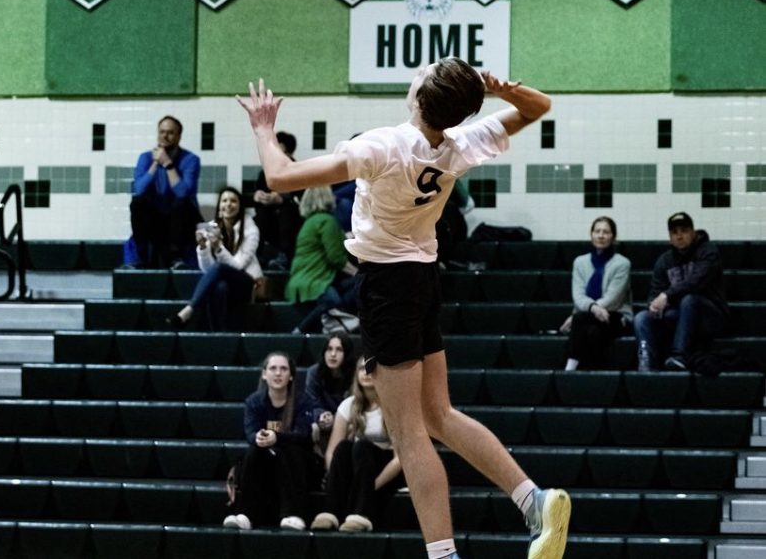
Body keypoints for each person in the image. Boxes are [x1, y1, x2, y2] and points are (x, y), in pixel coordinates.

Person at [237, 57, 571, 559]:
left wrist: (264, 128)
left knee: (409, 432)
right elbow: (539, 106)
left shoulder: (384, 146)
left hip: (388, 288)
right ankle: (533, 499)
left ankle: (444, 554)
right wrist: (503, 91)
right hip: (421, 280)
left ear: (419, 96)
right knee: (438, 414)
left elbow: (280, 176)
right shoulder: (458, 144)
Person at [223, 350, 316, 531]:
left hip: (297, 463)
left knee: (289, 450)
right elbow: (250, 432)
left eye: (283, 369)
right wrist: (258, 437)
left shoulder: (302, 401)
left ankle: (292, 514)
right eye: (273, 368)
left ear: (290, 376)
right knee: (254, 451)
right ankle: (246, 515)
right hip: (265, 462)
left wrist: (277, 437)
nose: (278, 373)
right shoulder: (254, 401)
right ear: (264, 374)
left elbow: (303, 435)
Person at [311, 355, 404, 532]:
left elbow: (399, 459)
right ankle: (329, 512)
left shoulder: (393, 405)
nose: (366, 373)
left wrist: (369, 486)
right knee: (344, 447)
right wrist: (337, 480)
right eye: (362, 368)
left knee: (361, 445)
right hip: (358, 469)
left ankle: (362, 514)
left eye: (371, 369)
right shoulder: (349, 405)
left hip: (386, 469)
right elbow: (332, 453)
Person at [633, 212, 730, 372]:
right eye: (674, 232)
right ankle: (647, 366)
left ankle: (679, 356)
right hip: (678, 317)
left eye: (684, 231)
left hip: (711, 317)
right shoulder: (664, 261)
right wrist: (653, 305)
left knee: (690, 300)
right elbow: (654, 292)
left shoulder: (708, 251)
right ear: (670, 237)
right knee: (641, 318)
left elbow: (696, 282)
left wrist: (666, 295)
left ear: (693, 232)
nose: (679, 236)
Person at [166, 186, 264, 331]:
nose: (228, 204)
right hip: (224, 280)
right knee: (219, 287)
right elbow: (208, 270)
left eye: (233, 201)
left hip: (247, 281)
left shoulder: (251, 230)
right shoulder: (213, 227)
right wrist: (203, 248)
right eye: (224, 201)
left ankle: (189, 309)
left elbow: (238, 266)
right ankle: (219, 335)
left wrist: (218, 248)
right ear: (219, 206)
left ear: (240, 206)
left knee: (219, 269)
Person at [128, 115, 202, 269]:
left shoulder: (191, 160)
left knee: (181, 203)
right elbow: (138, 190)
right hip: (157, 218)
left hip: (182, 218)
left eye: (170, 133)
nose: (165, 136)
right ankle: (141, 255)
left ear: (178, 136)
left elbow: (183, 193)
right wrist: (156, 163)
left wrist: (168, 164)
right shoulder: (145, 158)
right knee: (138, 203)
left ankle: (176, 256)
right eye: (161, 132)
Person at [559, 217, 633, 370]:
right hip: (587, 318)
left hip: (615, 315)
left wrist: (588, 310)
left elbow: (613, 298)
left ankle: (570, 368)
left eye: (606, 232)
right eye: (597, 231)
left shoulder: (622, 263)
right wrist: (592, 308)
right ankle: (594, 377)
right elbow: (578, 296)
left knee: (580, 319)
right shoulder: (579, 262)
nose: (601, 235)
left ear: (613, 236)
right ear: (591, 234)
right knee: (593, 332)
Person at [285, 185, 360, 335]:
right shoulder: (327, 221)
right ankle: (300, 330)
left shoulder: (310, 222)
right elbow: (336, 258)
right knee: (336, 300)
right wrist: (358, 273)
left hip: (302, 278)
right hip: (315, 280)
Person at [253, 130, 302, 268]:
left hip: (292, 216)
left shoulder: (300, 171)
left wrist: (282, 198)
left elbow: (303, 198)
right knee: (260, 217)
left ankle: (285, 256)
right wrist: (259, 196)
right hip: (270, 217)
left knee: (287, 213)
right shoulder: (266, 171)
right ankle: (258, 254)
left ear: (289, 154)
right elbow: (258, 191)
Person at [304, 332, 358, 457]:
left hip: (348, 420)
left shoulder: (355, 373)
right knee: (313, 427)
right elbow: (311, 402)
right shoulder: (314, 372)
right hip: (323, 420)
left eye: (339, 350)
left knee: (350, 429)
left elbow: (358, 403)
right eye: (329, 349)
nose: (333, 354)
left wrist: (336, 418)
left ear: (347, 353)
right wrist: (321, 415)